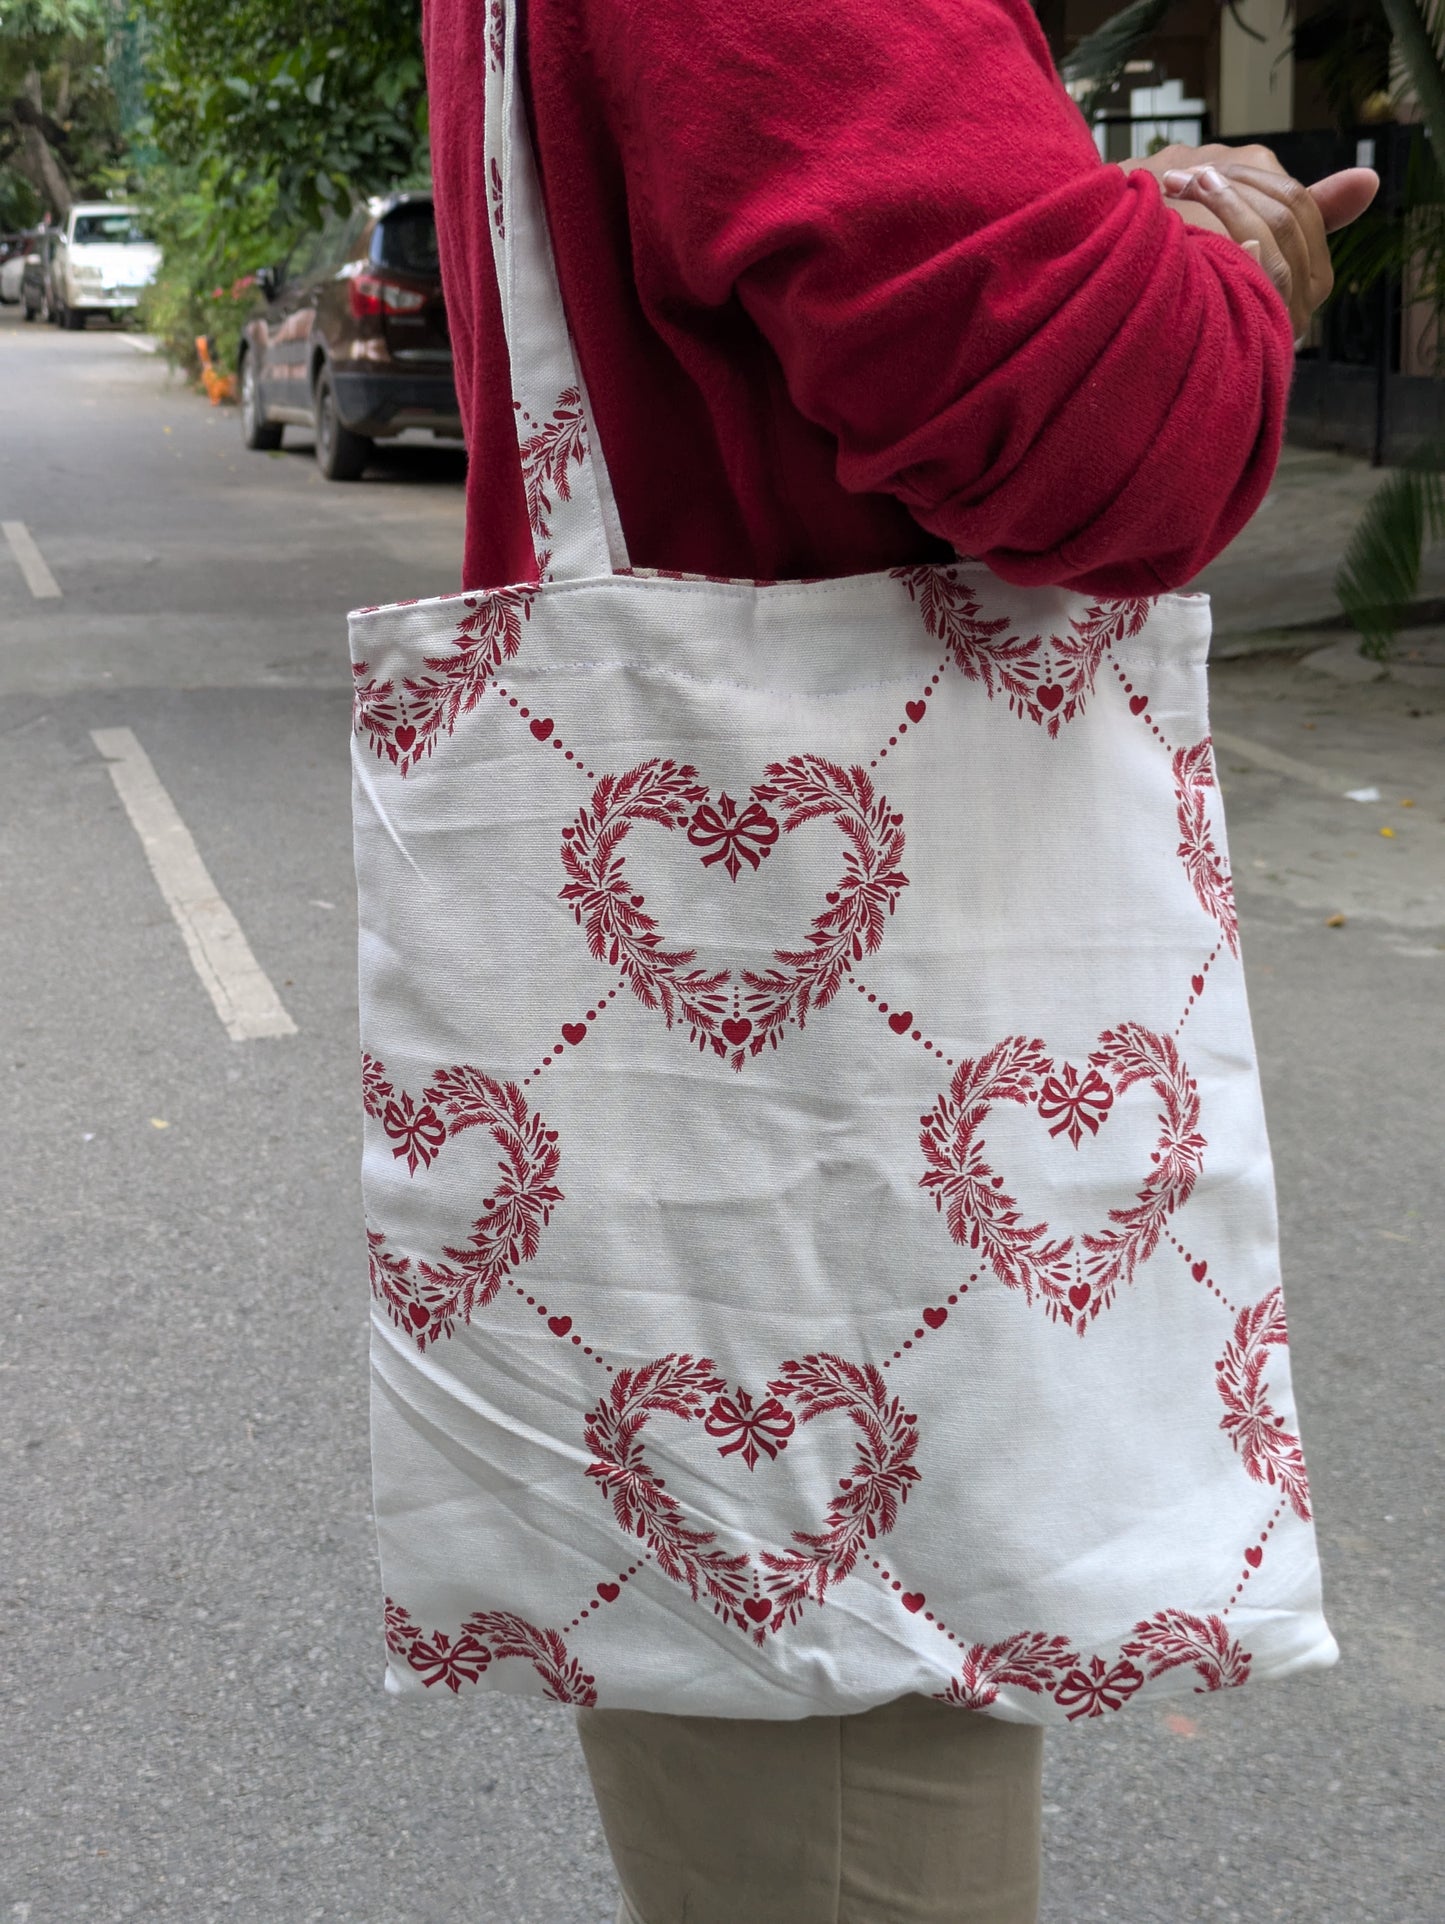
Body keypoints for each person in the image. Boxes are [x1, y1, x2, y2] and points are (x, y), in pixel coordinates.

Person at [412, 3, 1377, 1918]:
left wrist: (1094, 227)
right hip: (814, 1244)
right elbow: (1101, 438)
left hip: (721, 1166)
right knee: (849, 1805)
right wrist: (1226, 274)